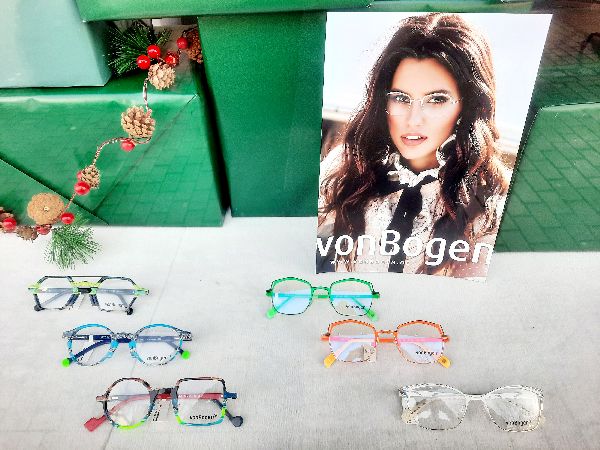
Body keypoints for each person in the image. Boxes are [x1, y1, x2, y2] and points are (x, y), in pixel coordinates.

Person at [317, 13, 511, 278]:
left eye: (436, 100)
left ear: (468, 106)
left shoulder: (489, 199)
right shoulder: (348, 164)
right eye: (401, 98)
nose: (413, 120)